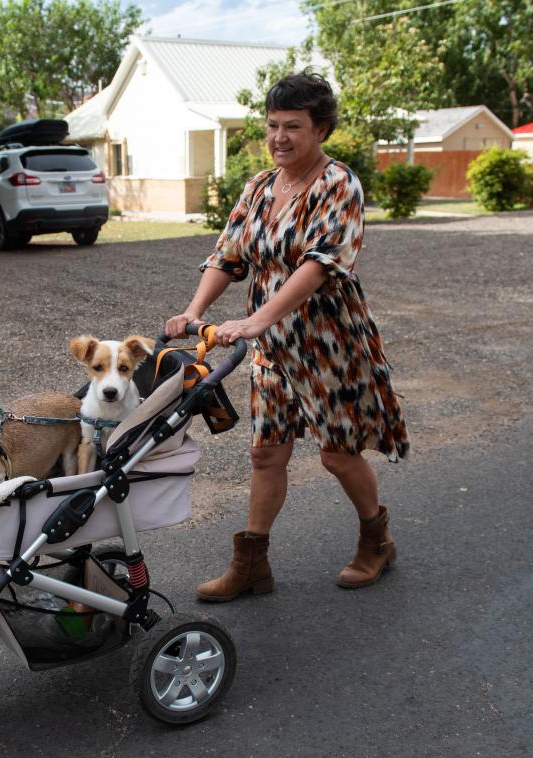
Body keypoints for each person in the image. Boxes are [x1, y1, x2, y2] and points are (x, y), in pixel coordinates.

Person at [165, 71, 409, 601]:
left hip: (331, 347)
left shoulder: (338, 185)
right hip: (275, 351)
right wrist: (193, 311)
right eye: (272, 125)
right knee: (266, 454)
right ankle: (251, 565)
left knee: (338, 454)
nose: (279, 137)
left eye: (292, 126)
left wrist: (255, 321)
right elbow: (227, 256)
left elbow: (318, 266)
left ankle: (377, 539)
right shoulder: (258, 186)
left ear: (320, 129)